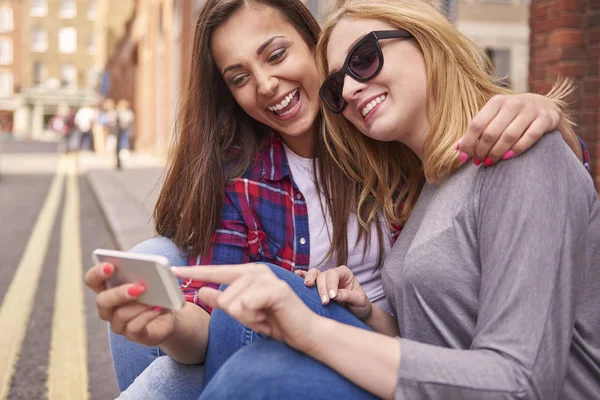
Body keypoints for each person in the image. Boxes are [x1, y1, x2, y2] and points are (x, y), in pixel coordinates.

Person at [83, 0, 588, 397]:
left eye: (365, 59)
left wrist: (543, 114)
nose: (351, 89)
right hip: (347, 342)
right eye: (238, 78)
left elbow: (544, 190)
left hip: (369, 352)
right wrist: (171, 326)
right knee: (171, 270)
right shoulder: (263, 172)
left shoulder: (404, 150)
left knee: (260, 330)